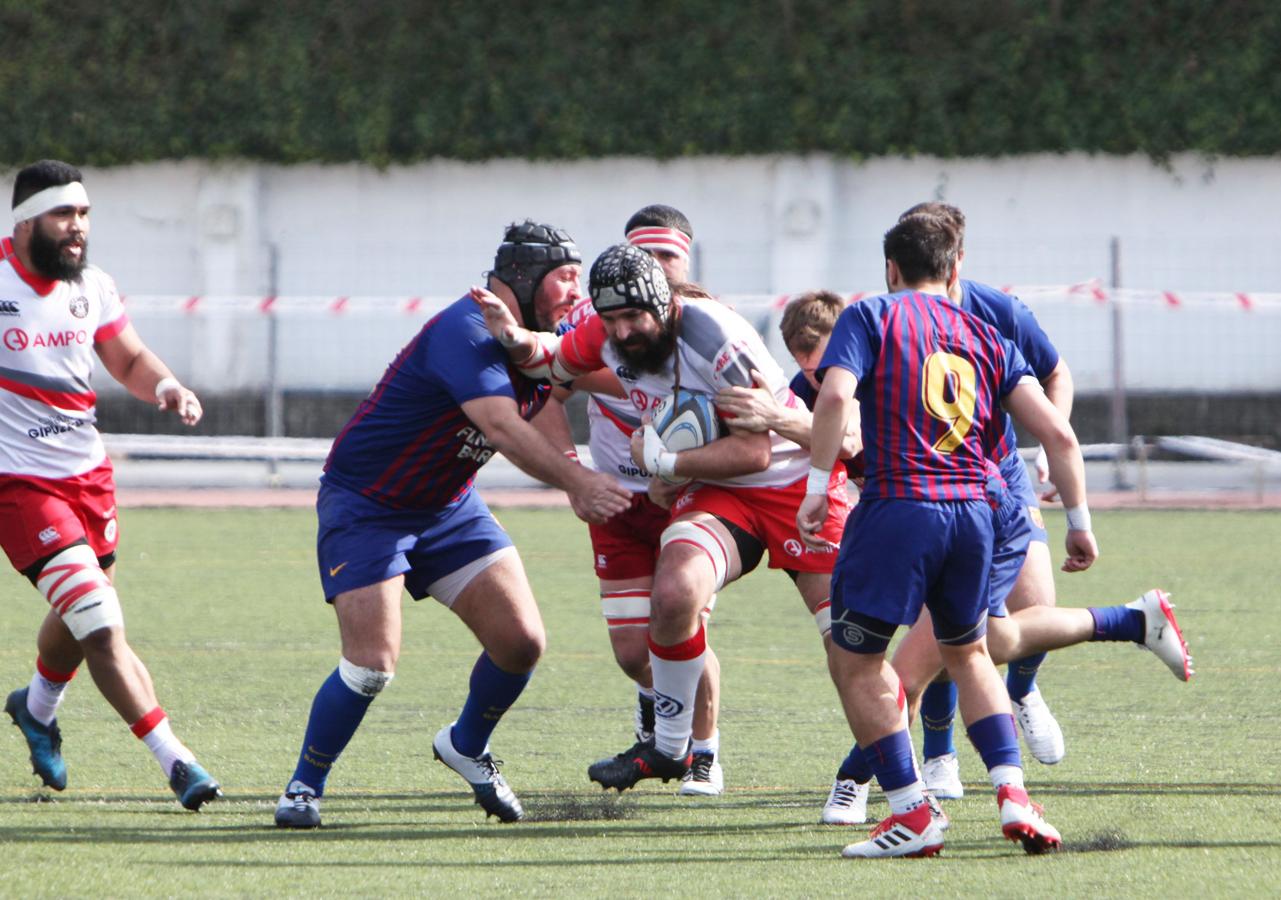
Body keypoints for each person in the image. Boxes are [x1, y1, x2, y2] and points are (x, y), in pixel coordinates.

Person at [725, 288, 1191, 828]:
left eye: (825, 365)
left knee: (921, 662)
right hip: (941, 510)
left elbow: (850, 433)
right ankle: (1130, 622)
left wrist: (1068, 509)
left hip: (980, 504)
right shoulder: (862, 359)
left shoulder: (945, 328)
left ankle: (865, 779)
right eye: (809, 371)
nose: (820, 377)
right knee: (986, 643)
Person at [273, 221, 632, 829]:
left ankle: (465, 745)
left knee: (521, 643)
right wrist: (581, 481)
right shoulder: (463, 330)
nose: (577, 291)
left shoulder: (546, 336)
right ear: (523, 278)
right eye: (565, 277)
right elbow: (501, 427)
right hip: (369, 504)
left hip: (447, 505)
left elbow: (609, 379)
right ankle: (303, 787)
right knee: (371, 666)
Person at [474, 243, 850, 792]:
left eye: (633, 317)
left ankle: (887, 775)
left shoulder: (714, 338)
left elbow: (756, 453)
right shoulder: (605, 333)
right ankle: (672, 748)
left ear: (664, 304)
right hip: (723, 492)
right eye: (611, 320)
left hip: (796, 486)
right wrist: (513, 336)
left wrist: (666, 463)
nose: (622, 334)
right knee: (674, 593)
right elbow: (550, 362)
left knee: (849, 643)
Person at [798, 211, 1096, 858]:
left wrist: (819, 489)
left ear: (890, 269)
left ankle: (910, 809)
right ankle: (1013, 794)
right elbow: (1058, 435)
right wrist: (1078, 523)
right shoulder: (984, 332)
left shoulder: (870, 315)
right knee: (967, 652)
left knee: (854, 662)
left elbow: (832, 398)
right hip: (975, 517)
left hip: (898, 510)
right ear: (955, 268)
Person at [0, 159, 220, 810]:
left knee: (80, 616)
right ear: (26, 220)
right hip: (20, 486)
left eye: (86, 215)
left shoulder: (92, 286)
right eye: (65, 214)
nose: (78, 228)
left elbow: (125, 356)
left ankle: (35, 709)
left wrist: (168, 385)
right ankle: (176, 761)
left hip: (89, 479)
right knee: (98, 620)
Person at [560, 206, 726, 795]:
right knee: (634, 651)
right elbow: (551, 382)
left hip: (688, 497)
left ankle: (701, 751)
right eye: (642, 255)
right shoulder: (601, 323)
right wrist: (573, 474)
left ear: (685, 260)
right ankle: (660, 711)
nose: (654, 267)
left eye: (667, 256)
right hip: (616, 496)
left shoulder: (706, 323)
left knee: (679, 620)